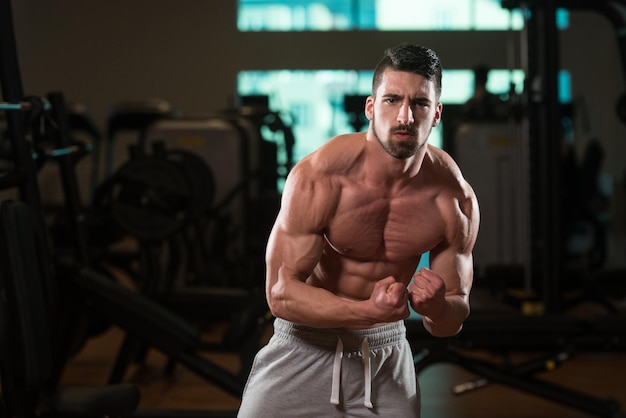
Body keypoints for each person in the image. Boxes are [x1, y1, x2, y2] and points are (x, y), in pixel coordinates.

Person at [238, 43, 479, 418]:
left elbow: (452, 318)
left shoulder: (452, 198)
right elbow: (280, 294)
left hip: (384, 358)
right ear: (371, 107)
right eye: (392, 99)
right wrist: (368, 311)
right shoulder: (320, 176)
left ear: (437, 114)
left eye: (420, 103)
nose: (405, 116)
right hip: (303, 347)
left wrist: (436, 308)